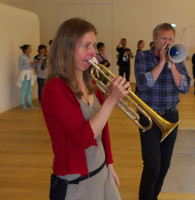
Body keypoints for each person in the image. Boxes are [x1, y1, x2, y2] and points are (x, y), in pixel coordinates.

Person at [41, 18, 130, 200]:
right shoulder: (54, 89)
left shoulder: (91, 83)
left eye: (94, 45)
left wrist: (109, 164)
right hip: (77, 181)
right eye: (85, 46)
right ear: (67, 49)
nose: (93, 52)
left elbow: (102, 128)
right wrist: (111, 101)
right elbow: (83, 137)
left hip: (101, 171)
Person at [134, 23, 191, 200]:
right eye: (164, 38)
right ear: (155, 39)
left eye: (171, 39)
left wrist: (172, 65)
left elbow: (184, 87)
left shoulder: (177, 58)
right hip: (148, 116)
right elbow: (143, 85)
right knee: (152, 165)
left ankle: (153, 196)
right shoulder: (142, 57)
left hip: (171, 116)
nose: (168, 42)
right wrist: (161, 63)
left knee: (164, 165)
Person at [16, 44, 37, 110]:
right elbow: (20, 67)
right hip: (25, 75)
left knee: (29, 90)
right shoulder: (21, 57)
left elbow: (29, 66)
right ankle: (22, 105)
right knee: (24, 90)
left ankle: (30, 104)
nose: (30, 50)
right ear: (25, 50)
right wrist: (29, 64)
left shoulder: (29, 56)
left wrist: (33, 65)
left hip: (30, 74)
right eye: (29, 48)